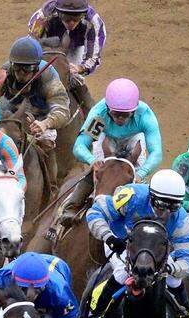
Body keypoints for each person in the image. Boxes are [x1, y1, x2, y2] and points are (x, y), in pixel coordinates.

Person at [84, 169, 189, 318]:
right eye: (161, 204)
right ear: (151, 196)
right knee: (123, 273)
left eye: (173, 207)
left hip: (156, 252)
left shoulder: (182, 221)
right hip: (122, 242)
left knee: (175, 280)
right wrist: (108, 237)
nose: (166, 212)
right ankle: (96, 315)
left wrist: (172, 268)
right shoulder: (131, 196)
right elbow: (95, 212)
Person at [47, 78, 163, 242]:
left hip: (134, 140)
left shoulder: (145, 116)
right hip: (106, 138)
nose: (120, 119)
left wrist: (141, 173)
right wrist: (92, 161)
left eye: (126, 115)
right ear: (108, 109)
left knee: (139, 186)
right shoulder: (99, 115)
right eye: (116, 114)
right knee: (99, 173)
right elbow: (79, 146)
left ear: (134, 111)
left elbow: (156, 153)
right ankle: (69, 209)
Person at [0, 36, 71, 152]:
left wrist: (45, 123)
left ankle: (50, 169)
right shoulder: (5, 71)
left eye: (27, 68)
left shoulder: (48, 75)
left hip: (41, 115)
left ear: (36, 67)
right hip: (11, 109)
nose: (21, 73)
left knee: (47, 143)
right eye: (17, 67)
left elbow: (62, 110)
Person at [28, 0, 105, 109]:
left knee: (75, 78)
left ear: (83, 15)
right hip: (48, 46)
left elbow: (93, 57)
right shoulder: (42, 17)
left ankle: (89, 113)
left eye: (76, 18)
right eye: (66, 18)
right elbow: (31, 44)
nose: (71, 23)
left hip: (76, 48)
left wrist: (80, 68)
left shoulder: (93, 22)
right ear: (58, 12)